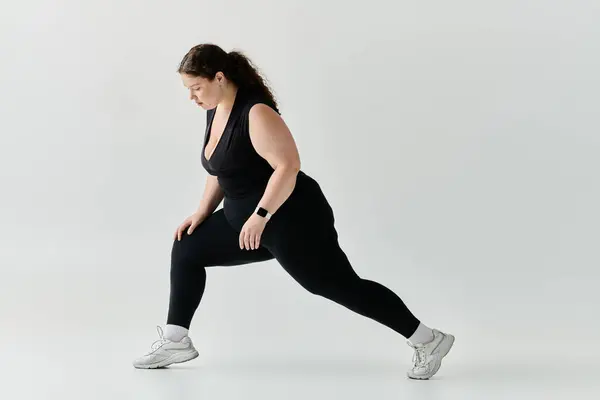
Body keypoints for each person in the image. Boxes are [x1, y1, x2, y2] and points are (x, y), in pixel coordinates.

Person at [132, 43, 455, 379]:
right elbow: (219, 169)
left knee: (338, 285)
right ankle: (176, 339)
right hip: (243, 221)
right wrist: (202, 211)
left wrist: (261, 215)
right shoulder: (215, 109)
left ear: (219, 77)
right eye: (188, 90)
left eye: (196, 88)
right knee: (188, 245)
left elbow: (287, 166)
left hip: (291, 217)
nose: (192, 98)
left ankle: (428, 340)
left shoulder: (256, 113)